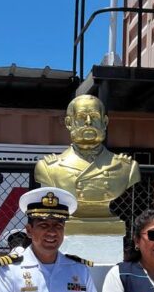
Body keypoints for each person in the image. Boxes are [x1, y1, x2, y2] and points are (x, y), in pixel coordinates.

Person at [34, 94, 140, 228]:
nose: (88, 122)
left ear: (104, 122)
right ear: (69, 123)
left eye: (94, 116)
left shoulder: (126, 167)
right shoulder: (48, 168)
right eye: (81, 117)